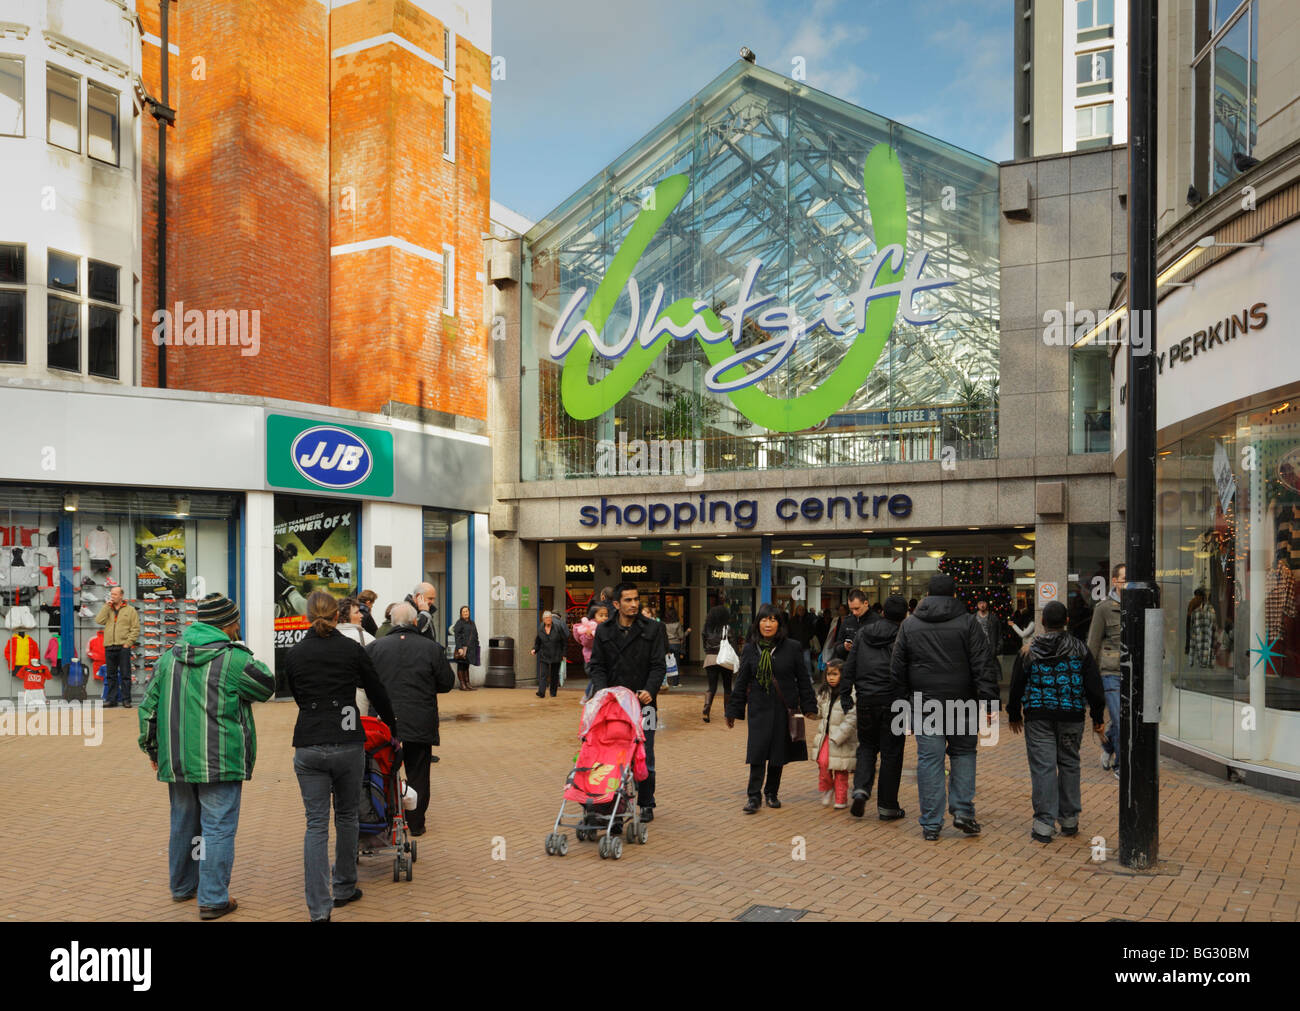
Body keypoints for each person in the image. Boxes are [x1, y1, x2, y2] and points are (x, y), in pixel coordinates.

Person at [137, 593, 276, 920]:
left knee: (183, 823)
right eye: (236, 621)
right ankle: (213, 899)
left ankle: (183, 886)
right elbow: (267, 687)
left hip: (178, 760)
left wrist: (152, 749)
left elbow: (148, 709)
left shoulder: (169, 658)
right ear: (228, 624)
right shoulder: (234, 660)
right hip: (221, 760)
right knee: (218, 827)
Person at [284, 591, 398, 922]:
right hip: (348, 742)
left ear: (307, 616)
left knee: (315, 824)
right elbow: (376, 690)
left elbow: (298, 694)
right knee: (347, 816)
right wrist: (393, 726)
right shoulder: (352, 649)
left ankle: (319, 908)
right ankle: (345, 886)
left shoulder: (294, 654)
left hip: (309, 742)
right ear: (339, 616)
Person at [890, 573, 1000, 841]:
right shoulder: (968, 623)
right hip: (962, 702)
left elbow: (897, 668)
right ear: (954, 595)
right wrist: (989, 701)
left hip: (925, 703)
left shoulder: (910, 624)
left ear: (927, 595)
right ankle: (963, 811)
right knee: (964, 755)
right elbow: (982, 664)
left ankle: (931, 823)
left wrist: (902, 702)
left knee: (930, 760)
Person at [1008, 600, 1105, 843]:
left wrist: (1013, 713)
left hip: (1038, 715)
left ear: (1042, 622)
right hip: (1072, 715)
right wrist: (1097, 717)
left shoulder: (1030, 649)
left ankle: (1043, 824)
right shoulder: (1080, 649)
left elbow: (1017, 682)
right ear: (1067, 621)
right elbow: (1094, 686)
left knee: (1044, 767)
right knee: (1070, 763)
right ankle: (1070, 819)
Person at [366, 602, 454, 838]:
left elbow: (362, 682)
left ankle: (382, 818)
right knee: (418, 772)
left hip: (384, 722)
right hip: (419, 718)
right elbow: (446, 682)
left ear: (392, 623)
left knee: (382, 769)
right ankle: (415, 823)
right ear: (415, 622)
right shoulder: (431, 648)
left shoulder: (375, 648)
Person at [726, 603, 817, 813]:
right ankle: (753, 796)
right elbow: (741, 681)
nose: (768, 624)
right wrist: (733, 710)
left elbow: (803, 679)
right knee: (757, 752)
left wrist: (809, 706)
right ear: (758, 623)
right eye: (764, 620)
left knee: (778, 753)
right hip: (759, 707)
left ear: (779, 624)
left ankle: (771, 792)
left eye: (773, 620)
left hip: (783, 708)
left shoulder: (792, 647)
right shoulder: (750, 648)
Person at [587, 582, 666, 821]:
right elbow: (597, 665)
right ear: (616, 604)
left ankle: (646, 802)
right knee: (611, 755)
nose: (633, 604)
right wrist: (603, 693)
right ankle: (612, 801)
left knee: (646, 755)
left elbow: (658, 665)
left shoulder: (653, 629)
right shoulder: (604, 630)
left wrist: (650, 690)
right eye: (628, 600)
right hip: (613, 706)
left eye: (636, 599)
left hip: (645, 705)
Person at [842, 594, 908, 821]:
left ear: (882, 611)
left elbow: (850, 665)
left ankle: (861, 787)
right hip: (894, 701)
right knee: (892, 753)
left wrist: (845, 693)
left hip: (866, 698)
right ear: (905, 614)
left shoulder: (863, 633)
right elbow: (906, 670)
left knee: (867, 747)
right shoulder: (903, 635)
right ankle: (888, 806)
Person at [1087, 563, 1125, 776]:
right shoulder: (1103, 609)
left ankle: (1108, 746)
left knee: (1125, 720)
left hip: (1134, 673)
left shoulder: (1140, 605)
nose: (1127, 583)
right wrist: (1090, 678)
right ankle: (1120, 765)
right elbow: (1093, 643)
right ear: (1115, 581)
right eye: (1123, 579)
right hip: (1110, 672)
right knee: (1119, 719)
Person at [813, 659, 857, 809]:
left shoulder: (851, 693)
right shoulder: (824, 692)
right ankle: (827, 788)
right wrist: (809, 709)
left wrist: (840, 735)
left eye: (835, 674)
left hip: (842, 738)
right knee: (823, 762)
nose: (831, 677)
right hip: (826, 736)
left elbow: (852, 718)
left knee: (840, 770)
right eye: (828, 674)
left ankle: (841, 799)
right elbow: (818, 712)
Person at [96, 586, 139, 709]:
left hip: (123, 646)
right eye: (112, 594)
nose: (112, 596)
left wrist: (128, 643)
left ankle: (126, 700)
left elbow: (135, 628)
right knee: (111, 675)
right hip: (109, 645)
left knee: (125, 674)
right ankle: (111, 700)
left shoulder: (130, 610)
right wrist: (106, 607)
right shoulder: (108, 609)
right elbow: (99, 620)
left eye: (115, 594)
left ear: (121, 596)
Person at [701, 603, 734, 723]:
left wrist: (709, 651)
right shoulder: (727, 627)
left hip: (710, 658)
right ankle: (728, 712)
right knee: (727, 687)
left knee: (711, 687)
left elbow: (704, 643)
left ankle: (706, 708)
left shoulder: (706, 628)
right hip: (724, 659)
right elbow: (731, 643)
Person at [531, 610, 567, 698]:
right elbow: (538, 642)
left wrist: (564, 654)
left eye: (550, 618)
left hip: (556, 654)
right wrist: (534, 649)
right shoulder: (540, 628)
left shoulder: (558, 628)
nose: (548, 619)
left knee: (554, 675)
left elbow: (564, 641)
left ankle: (553, 692)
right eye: (546, 618)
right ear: (543, 619)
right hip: (544, 654)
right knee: (543, 674)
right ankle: (541, 692)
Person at [833, 590, 868, 663]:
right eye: (851, 609)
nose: (854, 612)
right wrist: (844, 647)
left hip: (870, 665)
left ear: (865, 603)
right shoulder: (847, 621)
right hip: (850, 663)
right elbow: (837, 645)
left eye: (857, 608)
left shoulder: (876, 621)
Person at [452, 605, 479, 691]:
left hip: (470, 649)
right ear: (461, 614)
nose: (466, 613)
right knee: (461, 665)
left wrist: (476, 645)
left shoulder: (472, 623)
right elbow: (457, 636)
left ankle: (468, 683)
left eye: (467, 611)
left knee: (466, 665)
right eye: (464, 612)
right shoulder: (459, 623)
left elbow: (475, 634)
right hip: (462, 648)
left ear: (469, 612)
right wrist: (459, 648)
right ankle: (462, 684)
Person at [662, 607, 689, 688]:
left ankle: (665, 682)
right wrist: (687, 632)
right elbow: (681, 636)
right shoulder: (677, 624)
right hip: (675, 644)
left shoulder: (664, 624)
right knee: (676, 664)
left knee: (665, 663)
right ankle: (675, 683)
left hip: (666, 644)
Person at [789, 604, 814, 679]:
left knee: (807, 661)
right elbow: (789, 632)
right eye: (799, 610)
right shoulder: (792, 621)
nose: (801, 611)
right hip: (794, 645)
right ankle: (796, 677)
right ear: (796, 611)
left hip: (805, 644)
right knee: (795, 662)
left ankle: (809, 676)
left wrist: (808, 637)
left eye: (802, 610)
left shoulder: (808, 620)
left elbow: (812, 631)